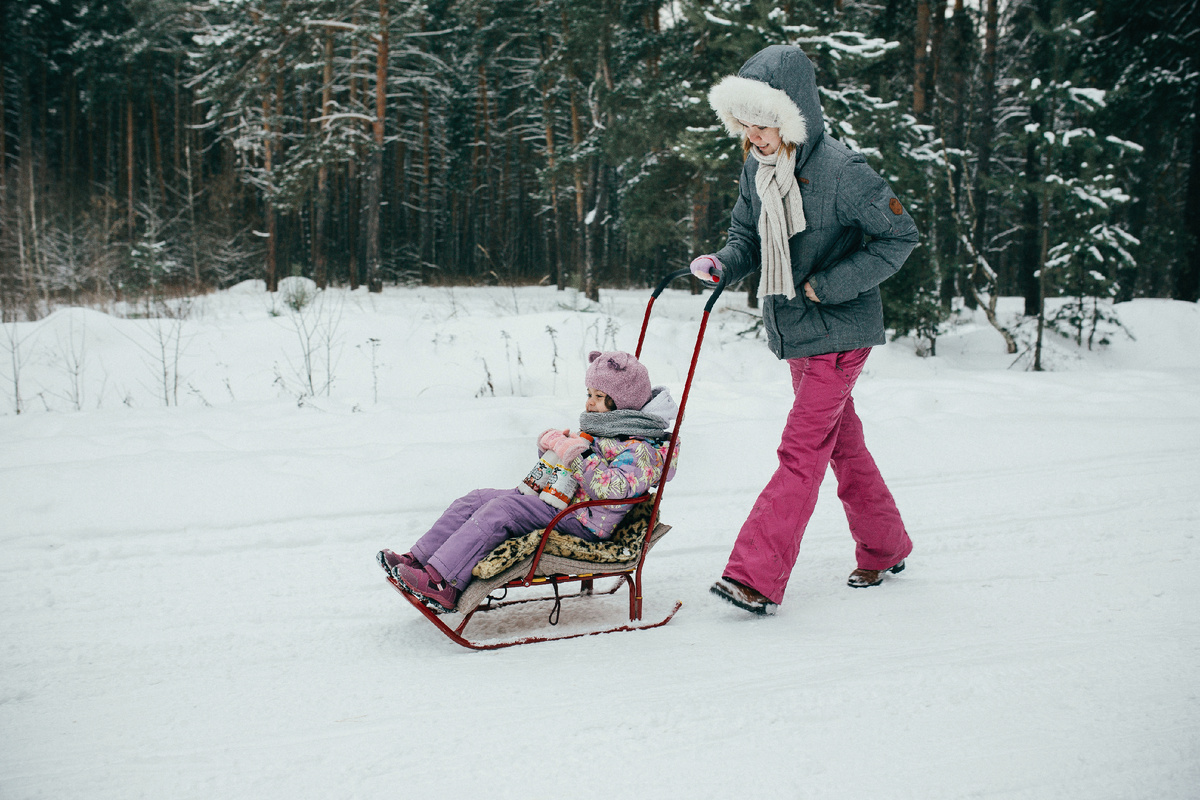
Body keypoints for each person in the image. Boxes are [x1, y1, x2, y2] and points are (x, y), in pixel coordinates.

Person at [692, 45, 917, 615]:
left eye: (763, 124)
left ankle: (754, 576)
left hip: (839, 333)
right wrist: (722, 263)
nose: (753, 136)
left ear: (793, 116)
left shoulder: (845, 172)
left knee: (801, 451)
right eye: (744, 124)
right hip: (797, 330)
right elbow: (746, 236)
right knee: (843, 444)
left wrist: (829, 286)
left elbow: (900, 236)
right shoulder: (759, 169)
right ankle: (885, 545)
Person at [378, 350, 679, 612]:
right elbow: (566, 464)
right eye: (589, 395)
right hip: (555, 499)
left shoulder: (642, 449)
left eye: (599, 398)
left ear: (623, 404)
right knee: (477, 499)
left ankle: (443, 582)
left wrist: (577, 454)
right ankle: (419, 560)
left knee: (503, 511)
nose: (590, 403)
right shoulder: (605, 430)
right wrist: (553, 448)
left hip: (584, 521)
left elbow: (610, 488)